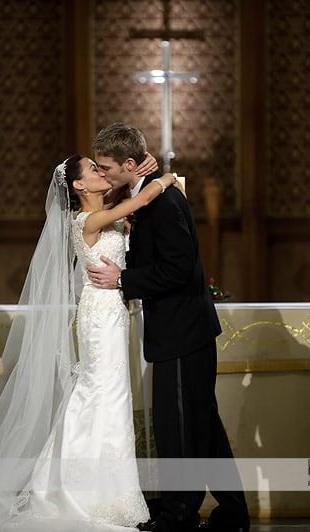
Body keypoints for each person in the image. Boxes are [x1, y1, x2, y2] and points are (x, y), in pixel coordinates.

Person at [0, 154, 171, 532]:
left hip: (113, 312)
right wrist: (167, 179)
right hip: (98, 315)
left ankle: (108, 491)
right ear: (78, 186)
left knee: (111, 395)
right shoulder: (86, 220)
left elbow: (124, 196)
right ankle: (76, 490)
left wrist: (136, 174)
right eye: (92, 169)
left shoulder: (103, 209)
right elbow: (136, 201)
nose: (100, 172)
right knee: (99, 393)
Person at [86, 123, 250, 532]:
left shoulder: (163, 202)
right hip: (179, 329)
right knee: (202, 425)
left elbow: (179, 270)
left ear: (128, 163)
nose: (103, 175)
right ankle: (232, 511)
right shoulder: (148, 195)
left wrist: (123, 281)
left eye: (107, 167)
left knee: (178, 427)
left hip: (182, 330)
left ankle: (180, 513)